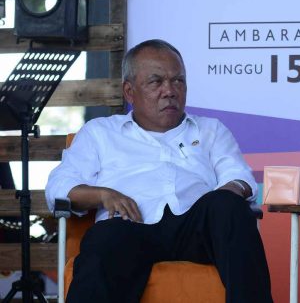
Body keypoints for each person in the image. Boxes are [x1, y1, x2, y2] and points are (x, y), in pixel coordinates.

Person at [45, 39, 273, 303]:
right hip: (130, 228)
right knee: (105, 236)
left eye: (178, 81)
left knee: (228, 205)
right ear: (129, 91)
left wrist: (226, 196)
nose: (170, 91)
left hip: (195, 229)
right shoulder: (100, 132)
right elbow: (58, 187)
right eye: (156, 82)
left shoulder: (210, 129)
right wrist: (103, 194)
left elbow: (240, 178)